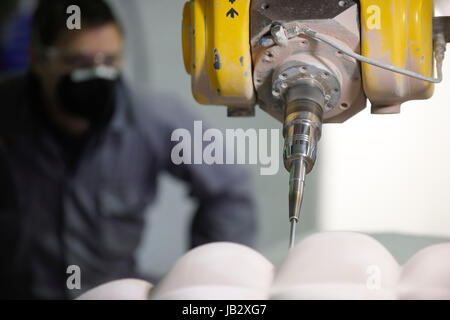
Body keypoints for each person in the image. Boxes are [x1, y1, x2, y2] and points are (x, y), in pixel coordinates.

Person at [0, 0, 257, 299]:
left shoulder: (152, 118)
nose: (96, 74)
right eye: (78, 63)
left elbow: (229, 191)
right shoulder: (6, 114)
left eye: (108, 61)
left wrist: (201, 282)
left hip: (112, 293)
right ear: (38, 59)